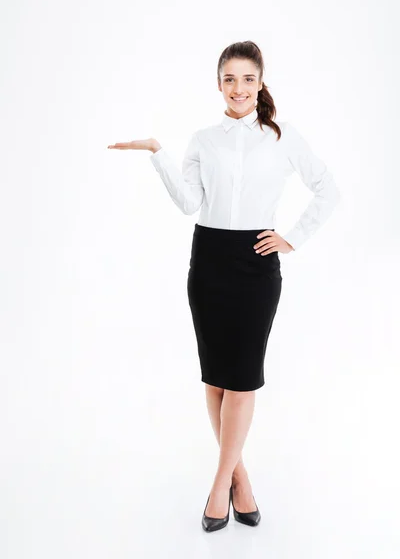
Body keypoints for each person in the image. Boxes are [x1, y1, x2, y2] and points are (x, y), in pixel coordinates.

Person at [108, 40, 341, 533]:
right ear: (219, 84)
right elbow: (190, 203)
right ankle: (241, 478)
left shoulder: (281, 137)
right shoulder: (203, 140)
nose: (239, 88)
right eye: (230, 79)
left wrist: (292, 239)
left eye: (248, 79)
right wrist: (157, 152)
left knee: (243, 377)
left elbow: (327, 188)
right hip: (209, 262)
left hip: (256, 266)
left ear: (261, 84)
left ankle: (219, 488)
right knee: (215, 378)